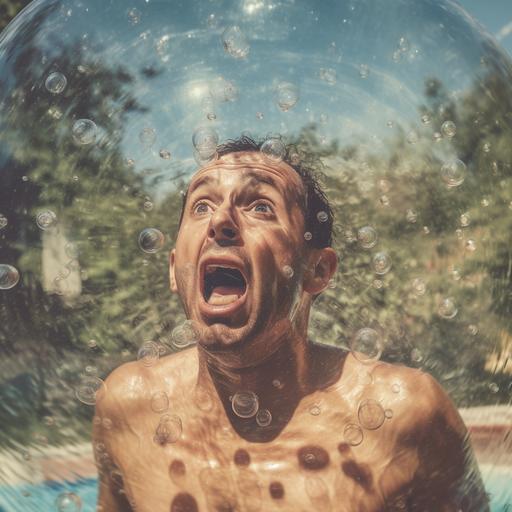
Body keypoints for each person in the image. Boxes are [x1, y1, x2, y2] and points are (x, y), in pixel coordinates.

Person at [93, 136, 489, 512]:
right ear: (174, 268)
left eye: (260, 206)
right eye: (201, 205)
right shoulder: (128, 408)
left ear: (317, 270)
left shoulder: (405, 414)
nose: (221, 220)